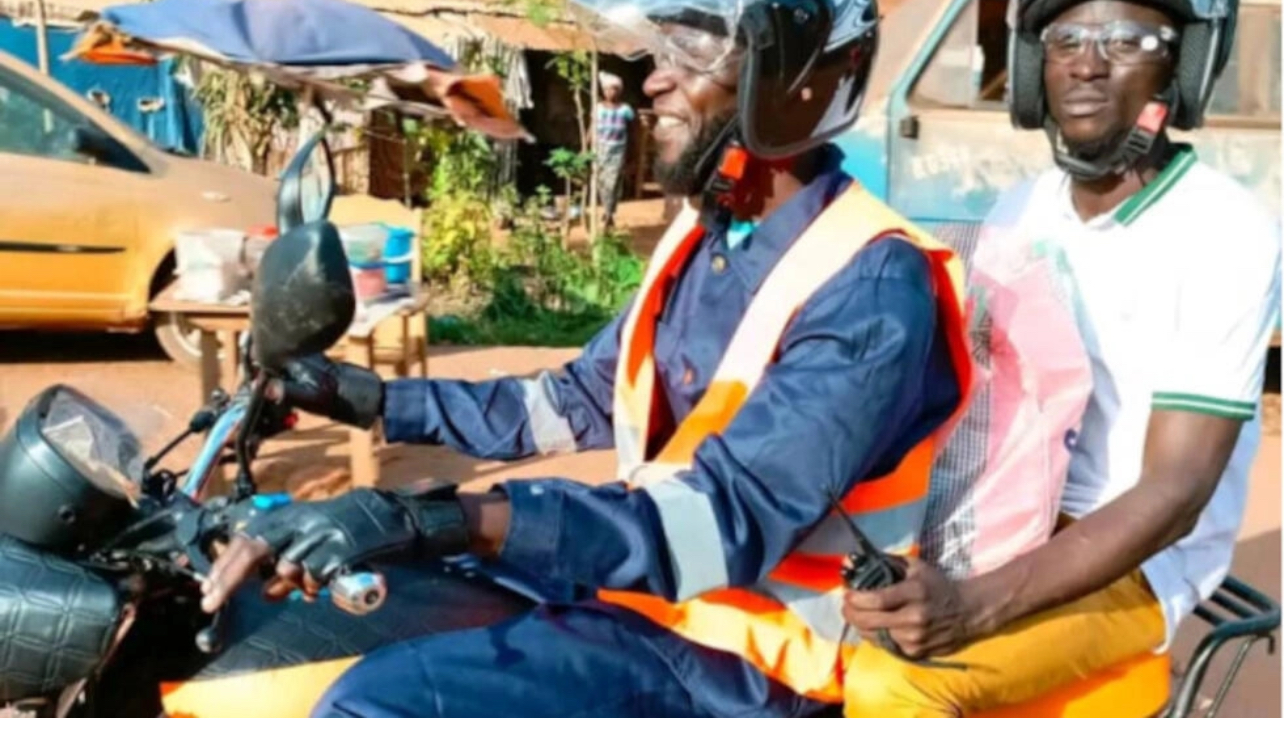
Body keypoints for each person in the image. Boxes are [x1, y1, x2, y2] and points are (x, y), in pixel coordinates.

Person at [198, 0, 977, 718]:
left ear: (792, 81)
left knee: (376, 704)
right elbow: (577, 398)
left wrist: (437, 514)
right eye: (658, 49)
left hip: (748, 659)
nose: (654, 80)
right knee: (320, 608)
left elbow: (718, 519)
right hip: (643, 591)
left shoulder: (872, 284)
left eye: (691, 52)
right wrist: (363, 397)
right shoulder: (708, 234)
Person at [841, 0, 1281, 717]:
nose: (1086, 61)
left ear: (1183, 65)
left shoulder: (1225, 231)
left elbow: (1175, 492)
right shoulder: (1020, 208)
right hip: (1003, 515)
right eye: (1065, 38)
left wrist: (971, 606)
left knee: (893, 682)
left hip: (1138, 560)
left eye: (1127, 39)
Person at [595, 71, 635, 229]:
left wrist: (632, 152)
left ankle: (609, 213)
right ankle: (607, 209)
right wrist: (587, 145)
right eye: (606, 89)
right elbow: (592, 127)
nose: (610, 92)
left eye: (613, 89)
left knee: (613, 182)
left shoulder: (625, 109)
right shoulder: (598, 107)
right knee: (601, 182)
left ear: (619, 91)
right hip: (600, 149)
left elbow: (632, 131)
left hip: (618, 150)